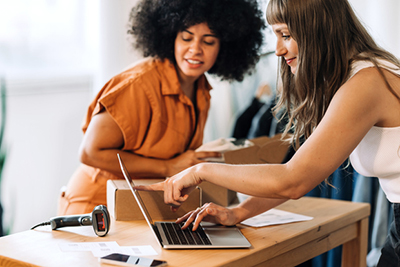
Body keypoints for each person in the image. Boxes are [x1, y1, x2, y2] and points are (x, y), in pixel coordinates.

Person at [135, 0, 400, 265]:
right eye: (275, 36)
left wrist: (200, 171)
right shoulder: (360, 75)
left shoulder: (366, 83)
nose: (277, 50)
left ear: (319, 29)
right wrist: (237, 213)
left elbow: (294, 180)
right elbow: (299, 172)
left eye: (285, 35)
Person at [57, 0, 265, 216]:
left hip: (140, 209)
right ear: (171, 37)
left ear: (224, 47)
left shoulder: (201, 89)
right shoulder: (138, 84)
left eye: (209, 41)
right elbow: (90, 152)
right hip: (96, 207)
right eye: (186, 37)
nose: (195, 49)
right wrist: (168, 166)